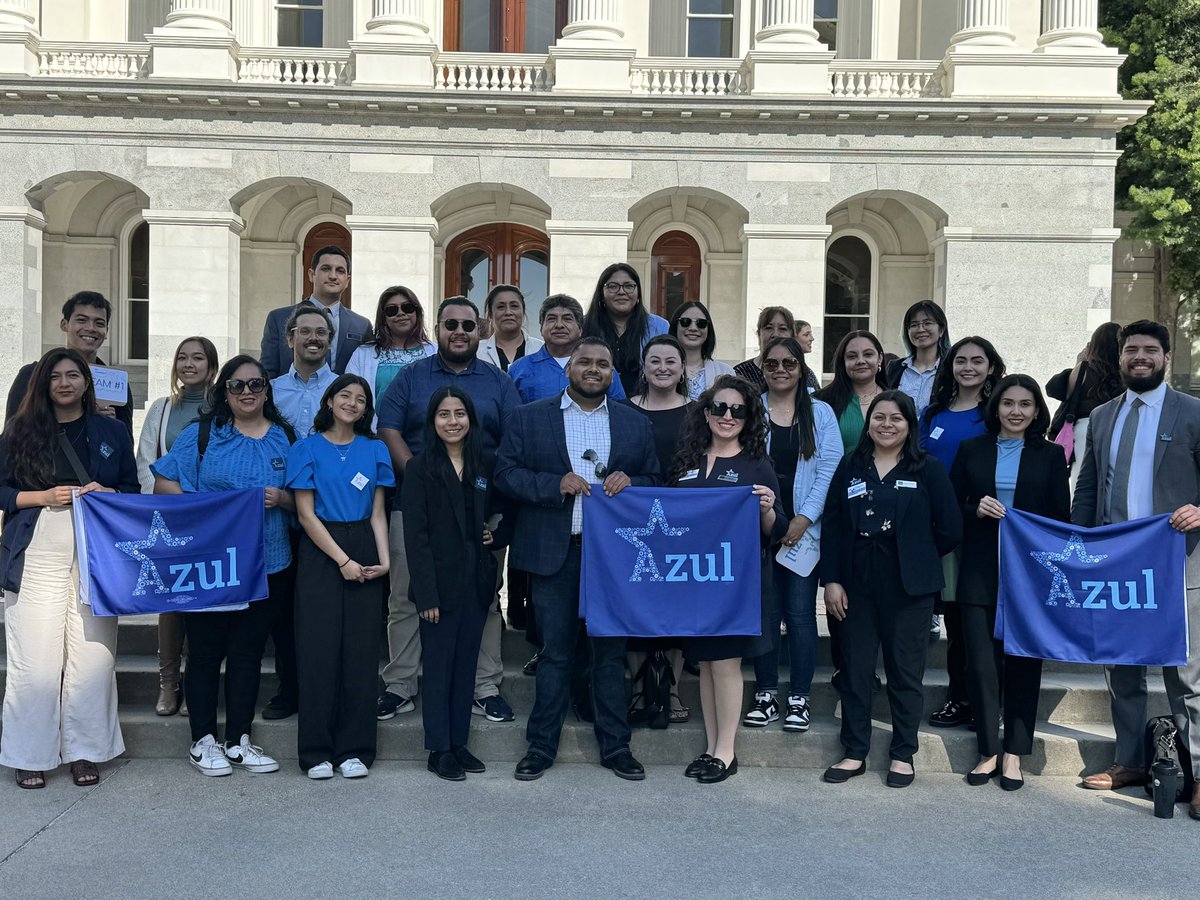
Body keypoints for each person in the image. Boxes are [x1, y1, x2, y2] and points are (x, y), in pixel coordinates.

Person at [495, 338, 660, 782]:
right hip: (557, 554)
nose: (592, 369)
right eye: (583, 362)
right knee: (555, 655)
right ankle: (540, 747)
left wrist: (634, 480)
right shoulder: (530, 418)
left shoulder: (633, 423)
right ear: (568, 369)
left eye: (602, 364)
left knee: (609, 655)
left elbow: (655, 478)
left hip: (613, 559)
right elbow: (505, 473)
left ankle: (616, 747)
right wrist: (554, 484)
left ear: (613, 374)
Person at [1072, 320, 1200, 821]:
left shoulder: (1192, 413)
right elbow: (1087, 487)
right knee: (1121, 670)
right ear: (1120, 358)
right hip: (1118, 568)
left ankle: (1196, 773)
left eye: (1150, 350)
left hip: (1179, 566)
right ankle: (1129, 760)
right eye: (1131, 350)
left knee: (1185, 676)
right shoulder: (1102, 416)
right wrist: (1077, 545)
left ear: (1166, 357)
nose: (1139, 357)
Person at [375, 296, 521, 723]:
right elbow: (389, 428)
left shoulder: (499, 383)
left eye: (468, 326)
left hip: (481, 506)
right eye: (450, 325)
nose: (459, 332)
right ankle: (400, 684)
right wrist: (427, 480)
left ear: (482, 331)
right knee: (407, 596)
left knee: (485, 597)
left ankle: (484, 686)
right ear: (436, 330)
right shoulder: (411, 377)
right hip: (415, 507)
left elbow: (512, 442)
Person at [0, 348, 138, 790]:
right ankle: (29, 754)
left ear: (86, 381)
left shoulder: (112, 431)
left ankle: (86, 751)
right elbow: (2, 492)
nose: (64, 383)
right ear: (42, 383)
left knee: (93, 654)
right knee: (35, 658)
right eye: (55, 376)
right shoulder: (19, 432)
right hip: (36, 544)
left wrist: (109, 490)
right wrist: (43, 497)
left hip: (98, 549)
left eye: (73, 375)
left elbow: (132, 490)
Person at [152, 355, 296, 778]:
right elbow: (164, 483)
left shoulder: (286, 438)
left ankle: (238, 740)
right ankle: (202, 741)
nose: (247, 393)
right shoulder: (202, 434)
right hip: (209, 565)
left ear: (267, 390)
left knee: (248, 655)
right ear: (224, 391)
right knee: (205, 653)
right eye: (237, 386)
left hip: (268, 564)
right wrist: (207, 510)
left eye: (255, 385)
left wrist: (281, 499)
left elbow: (303, 498)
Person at [820, 391, 961, 788]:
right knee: (856, 670)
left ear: (909, 425)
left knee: (905, 672)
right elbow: (832, 526)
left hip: (909, 586)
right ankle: (854, 752)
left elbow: (950, 527)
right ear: (869, 424)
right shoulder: (851, 466)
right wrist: (832, 580)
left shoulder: (928, 469)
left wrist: (917, 554)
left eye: (896, 418)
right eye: (879, 417)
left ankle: (903, 754)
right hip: (854, 585)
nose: (886, 424)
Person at [951, 374, 1070, 791]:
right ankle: (987, 752)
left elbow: (1061, 519)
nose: (1015, 411)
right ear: (995, 407)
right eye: (1008, 403)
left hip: (1031, 575)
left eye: (1025, 404)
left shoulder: (1052, 456)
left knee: (1022, 664)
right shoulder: (972, 449)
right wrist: (974, 507)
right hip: (980, 571)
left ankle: (1014, 753)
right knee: (981, 666)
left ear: (1037, 410)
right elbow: (952, 506)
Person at [671, 375, 787, 783]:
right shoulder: (687, 460)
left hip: (735, 583)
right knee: (704, 664)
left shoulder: (757, 464)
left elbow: (777, 528)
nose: (727, 416)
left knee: (725, 663)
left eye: (737, 410)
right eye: (719, 407)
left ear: (749, 417)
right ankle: (709, 746)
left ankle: (726, 751)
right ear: (705, 413)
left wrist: (767, 509)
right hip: (693, 580)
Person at [287, 374, 392, 780]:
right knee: (318, 651)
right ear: (329, 401)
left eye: (360, 398)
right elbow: (305, 514)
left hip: (364, 541)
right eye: (344, 395)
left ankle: (355, 750)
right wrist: (342, 560)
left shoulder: (376, 448)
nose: (352, 402)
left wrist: (384, 561)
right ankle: (315, 752)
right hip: (322, 549)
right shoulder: (306, 448)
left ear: (367, 409)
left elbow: (378, 512)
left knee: (361, 654)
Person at [403, 388, 505, 780]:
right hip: (438, 586)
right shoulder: (420, 467)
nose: (452, 421)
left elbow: (505, 509)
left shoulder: (484, 464)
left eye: (459, 413)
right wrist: (426, 594)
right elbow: (417, 536)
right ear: (432, 422)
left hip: (475, 581)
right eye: (443, 414)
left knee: (466, 666)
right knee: (441, 667)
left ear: (470, 419)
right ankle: (438, 748)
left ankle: (459, 744)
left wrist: (497, 537)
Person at [744, 338, 842, 734]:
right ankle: (766, 693)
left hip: (804, 532)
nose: (780, 369)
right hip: (757, 528)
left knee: (800, 617)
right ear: (762, 367)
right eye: (772, 363)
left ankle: (799, 696)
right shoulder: (752, 410)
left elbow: (829, 467)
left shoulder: (820, 412)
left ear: (801, 368)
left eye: (789, 362)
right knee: (766, 615)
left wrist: (803, 518)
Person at [919, 336, 1006, 729]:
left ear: (990, 367)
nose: (968, 367)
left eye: (977, 360)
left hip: (986, 527)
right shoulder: (934, 413)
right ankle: (959, 698)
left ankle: (987, 700)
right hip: (944, 527)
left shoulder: (997, 412)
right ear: (950, 366)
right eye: (960, 360)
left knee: (984, 621)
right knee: (955, 618)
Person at [136, 336, 219, 717]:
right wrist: (168, 499)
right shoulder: (161, 409)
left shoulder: (222, 407)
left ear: (211, 366)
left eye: (198, 358)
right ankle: (169, 683)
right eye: (182, 358)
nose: (189, 364)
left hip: (210, 519)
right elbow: (145, 461)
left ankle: (197, 680)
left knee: (205, 599)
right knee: (171, 602)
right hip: (168, 517)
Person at [622, 335, 693, 723]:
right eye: (655, 361)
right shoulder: (622, 410)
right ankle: (638, 686)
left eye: (671, 361)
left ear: (683, 368)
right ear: (643, 368)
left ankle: (672, 688)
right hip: (633, 523)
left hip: (683, 525)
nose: (663, 367)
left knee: (676, 608)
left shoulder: (699, 412)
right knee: (637, 605)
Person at [5, 291, 133, 437]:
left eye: (99, 323)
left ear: (107, 331)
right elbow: (11, 436)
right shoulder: (31, 374)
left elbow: (126, 445)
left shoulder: (116, 383)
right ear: (64, 324)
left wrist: (110, 426)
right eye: (81, 320)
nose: (91, 328)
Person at [260, 246, 371, 378]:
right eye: (326, 269)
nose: (333, 276)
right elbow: (267, 371)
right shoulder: (279, 319)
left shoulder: (362, 325)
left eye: (340, 271)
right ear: (311, 275)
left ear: (347, 281)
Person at [345, 285, 436, 429]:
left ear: (417, 312)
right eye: (392, 310)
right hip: (375, 437)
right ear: (384, 318)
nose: (400, 314)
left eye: (407, 308)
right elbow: (349, 398)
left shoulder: (435, 352)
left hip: (425, 438)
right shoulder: (363, 354)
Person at [510, 294, 626, 404]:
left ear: (580, 329)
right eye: (551, 319)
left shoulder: (601, 368)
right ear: (541, 328)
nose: (559, 325)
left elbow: (620, 411)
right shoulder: (520, 368)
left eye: (567, 319)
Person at [1046, 321, 1123, 484]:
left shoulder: (1084, 369)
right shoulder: (1125, 371)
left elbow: (1063, 392)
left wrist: (1079, 361)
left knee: (1081, 477)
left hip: (1083, 429)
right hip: (1117, 426)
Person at [582, 263, 668, 397]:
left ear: (638, 292)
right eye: (613, 286)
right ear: (601, 293)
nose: (621, 292)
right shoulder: (584, 325)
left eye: (628, 286)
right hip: (595, 405)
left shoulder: (660, 327)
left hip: (645, 405)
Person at [815, 330, 890, 454]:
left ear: (880, 358)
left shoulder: (896, 401)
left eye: (868, 354)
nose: (860, 361)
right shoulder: (822, 402)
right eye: (852, 356)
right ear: (843, 362)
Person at [886, 300, 951, 418]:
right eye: (914, 325)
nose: (920, 329)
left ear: (941, 330)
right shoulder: (895, 368)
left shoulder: (950, 369)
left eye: (927, 323)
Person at [668, 300, 734, 401]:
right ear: (675, 327)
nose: (693, 328)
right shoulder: (662, 369)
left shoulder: (725, 372)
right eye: (685, 322)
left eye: (701, 323)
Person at [478, 284, 543, 372]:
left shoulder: (541, 349)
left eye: (514, 306)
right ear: (490, 315)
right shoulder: (477, 352)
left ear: (523, 312)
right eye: (501, 307)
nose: (508, 312)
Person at [734, 307, 796, 397]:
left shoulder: (804, 374)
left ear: (792, 336)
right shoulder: (739, 374)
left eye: (782, 329)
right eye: (768, 328)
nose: (775, 334)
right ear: (759, 334)